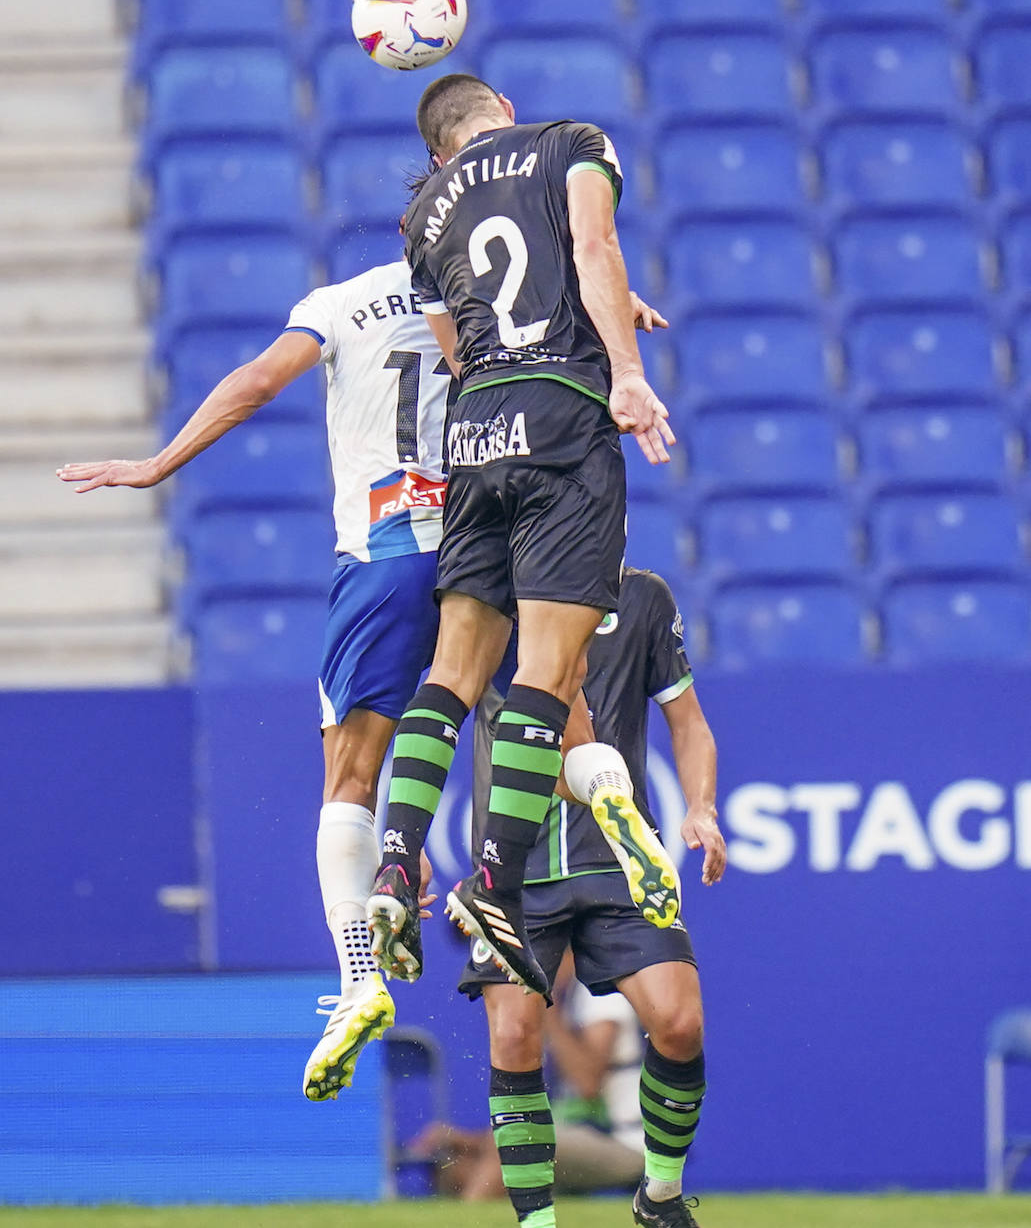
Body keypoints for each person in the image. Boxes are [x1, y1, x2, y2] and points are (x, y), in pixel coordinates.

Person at [56, 253, 450, 1102]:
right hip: (486, 546)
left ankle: (357, 975)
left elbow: (259, 383)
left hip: (386, 550)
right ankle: (479, 881)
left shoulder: (341, 301)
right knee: (518, 712)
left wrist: (163, 461)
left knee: (348, 777)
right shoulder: (489, 287)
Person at [367, 74, 678, 998]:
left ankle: (395, 861)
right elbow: (591, 243)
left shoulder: (422, 213)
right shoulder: (568, 139)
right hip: (561, 421)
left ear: (438, 147)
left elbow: (461, 343)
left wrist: (603, 308)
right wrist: (622, 365)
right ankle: (495, 885)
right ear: (500, 104)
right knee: (545, 673)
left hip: (475, 433)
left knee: (452, 672)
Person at [459, 566, 726, 1228]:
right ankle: (536, 1224)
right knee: (515, 1035)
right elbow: (433, 711)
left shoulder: (641, 598)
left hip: (619, 865)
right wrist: (404, 852)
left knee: (679, 1021)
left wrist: (701, 808)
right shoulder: (485, 592)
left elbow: (687, 722)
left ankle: (659, 1195)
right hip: (511, 865)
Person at [412, 949, 646, 1201]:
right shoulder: (565, 998)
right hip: (578, 1134)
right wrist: (466, 1140)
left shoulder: (600, 992)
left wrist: (546, 1010)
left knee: (515, 1141)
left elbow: (587, 1084)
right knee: (456, 1163)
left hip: (625, 1142)